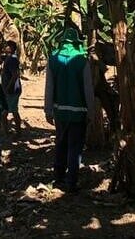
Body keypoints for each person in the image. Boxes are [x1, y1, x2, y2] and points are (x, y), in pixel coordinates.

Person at [44, 26, 95, 193]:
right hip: (78, 111)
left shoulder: (53, 59)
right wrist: (91, 111)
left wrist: (48, 109)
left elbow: (49, 87)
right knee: (75, 147)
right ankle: (71, 181)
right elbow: (88, 88)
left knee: (60, 142)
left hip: (60, 111)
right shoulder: (82, 60)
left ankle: (58, 176)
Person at [0, 39, 23, 132]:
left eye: (7, 46)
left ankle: (10, 132)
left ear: (11, 48)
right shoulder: (10, 58)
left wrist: (8, 88)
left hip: (12, 90)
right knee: (13, 111)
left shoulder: (12, 60)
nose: (5, 47)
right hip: (12, 89)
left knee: (6, 113)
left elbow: (14, 75)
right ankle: (14, 131)